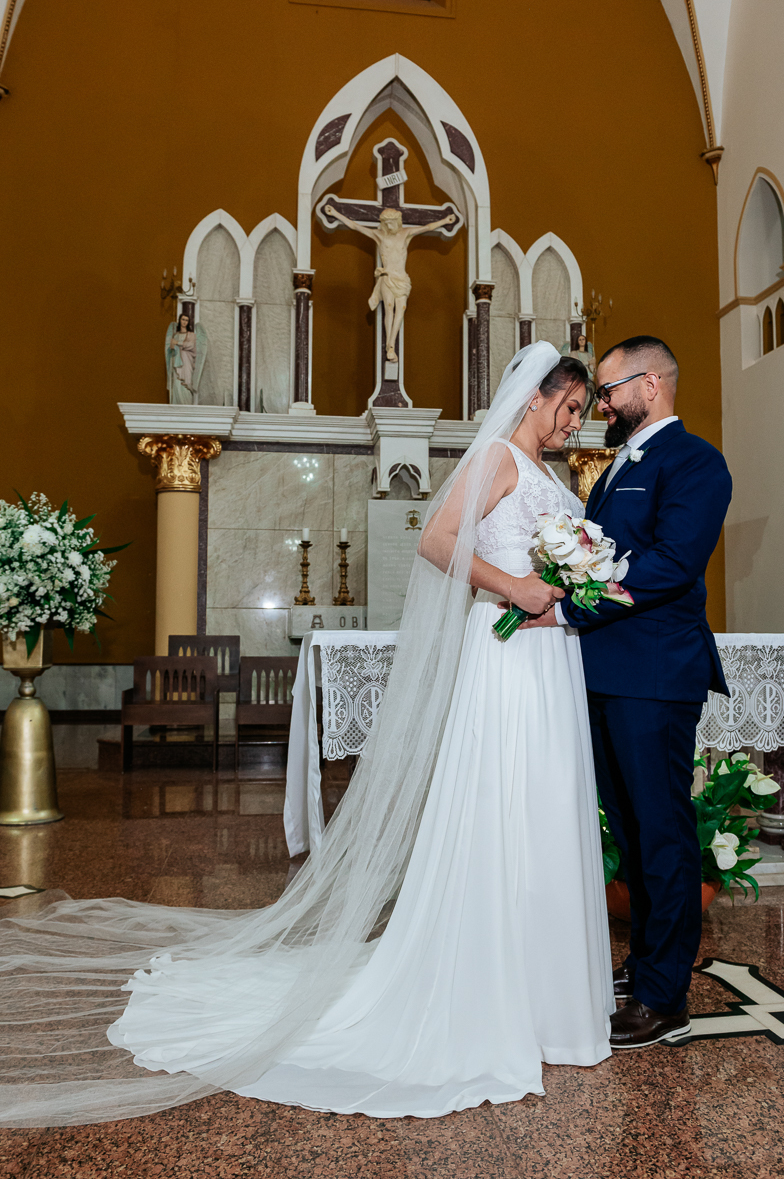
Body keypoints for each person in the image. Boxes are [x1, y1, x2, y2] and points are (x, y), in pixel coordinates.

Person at [0, 342, 614, 1127]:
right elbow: (437, 540)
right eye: (566, 408)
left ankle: (547, 993)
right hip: (508, 662)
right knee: (504, 809)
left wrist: (576, 582)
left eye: (579, 413)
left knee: (546, 815)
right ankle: (488, 981)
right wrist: (517, 587)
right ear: (533, 398)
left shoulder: (552, 476)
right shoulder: (497, 456)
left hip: (550, 659)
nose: (572, 424)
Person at [519, 335, 732, 1049]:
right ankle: (645, 964)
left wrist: (573, 608)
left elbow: (670, 563)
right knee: (634, 831)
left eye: (609, 392)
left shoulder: (697, 462)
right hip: (605, 673)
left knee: (663, 830)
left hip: (655, 676)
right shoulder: (613, 468)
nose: (602, 405)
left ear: (652, 385)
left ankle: (664, 994)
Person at [324, 204, 457, 361]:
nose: (388, 226)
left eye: (391, 223)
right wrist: (336, 213)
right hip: (386, 277)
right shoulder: (379, 235)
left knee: (401, 309)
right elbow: (355, 226)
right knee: (389, 309)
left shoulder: (406, 234)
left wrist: (444, 221)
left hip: (401, 278)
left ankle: (390, 344)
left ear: (397, 221)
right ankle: (390, 346)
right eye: (386, 223)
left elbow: (427, 227)